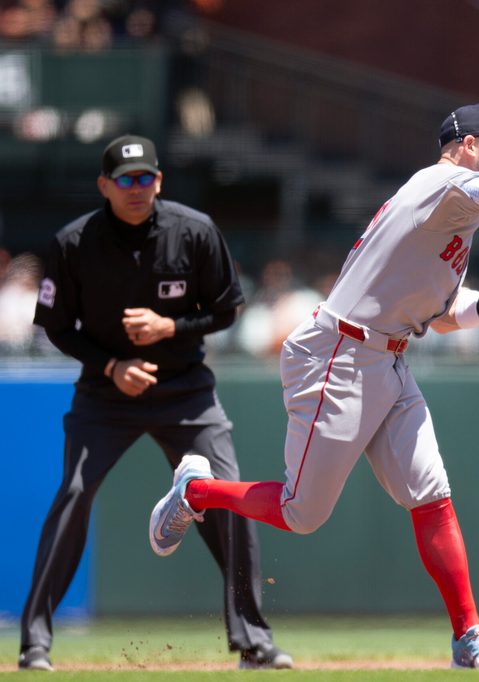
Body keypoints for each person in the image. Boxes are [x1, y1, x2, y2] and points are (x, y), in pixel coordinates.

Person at [147, 103, 479, 669]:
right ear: (468, 143)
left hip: (390, 359)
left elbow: (443, 314)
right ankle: (196, 491)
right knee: (302, 512)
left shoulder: (453, 215)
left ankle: (469, 635)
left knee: (432, 493)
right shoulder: (442, 183)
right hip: (337, 354)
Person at [20, 135, 291, 672]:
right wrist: (111, 366)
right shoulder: (73, 242)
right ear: (104, 186)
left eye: (146, 178)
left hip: (185, 391)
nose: (137, 188)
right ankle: (35, 642)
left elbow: (227, 310)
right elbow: (55, 328)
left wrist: (171, 325)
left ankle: (253, 639)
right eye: (125, 180)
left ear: (160, 181)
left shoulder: (194, 231)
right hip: (104, 394)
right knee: (74, 492)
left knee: (229, 495)